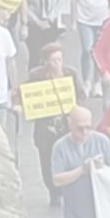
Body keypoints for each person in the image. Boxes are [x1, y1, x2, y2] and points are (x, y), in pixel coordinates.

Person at [21, 42, 83, 208]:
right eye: (54, 60)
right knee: (46, 159)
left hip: (65, 124)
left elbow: (80, 95)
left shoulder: (70, 74)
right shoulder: (37, 75)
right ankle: (53, 191)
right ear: (46, 61)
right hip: (45, 126)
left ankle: (68, 189)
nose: (58, 64)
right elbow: (26, 94)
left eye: (60, 59)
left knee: (68, 157)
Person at [72, 0, 110, 97]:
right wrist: (73, 20)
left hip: (102, 17)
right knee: (87, 49)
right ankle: (87, 81)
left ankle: (98, 82)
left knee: (99, 52)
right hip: (84, 18)